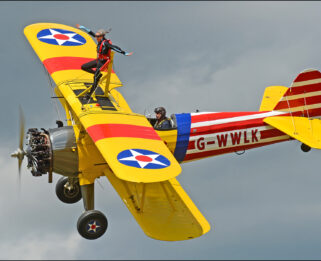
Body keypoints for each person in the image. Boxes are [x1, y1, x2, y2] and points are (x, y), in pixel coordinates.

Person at [76, 24, 132, 100]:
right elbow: (90, 32)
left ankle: (89, 95)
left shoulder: (105, 43)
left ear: (101, 36)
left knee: (95, 79)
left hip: (103, 63)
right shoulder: (99, 39)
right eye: (96, 36)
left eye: (97, 37)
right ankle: (97, 74)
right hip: (98, 60)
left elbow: (114, 47)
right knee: (83, 67)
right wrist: (82, 27)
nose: (96, 38)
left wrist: (124, 53)